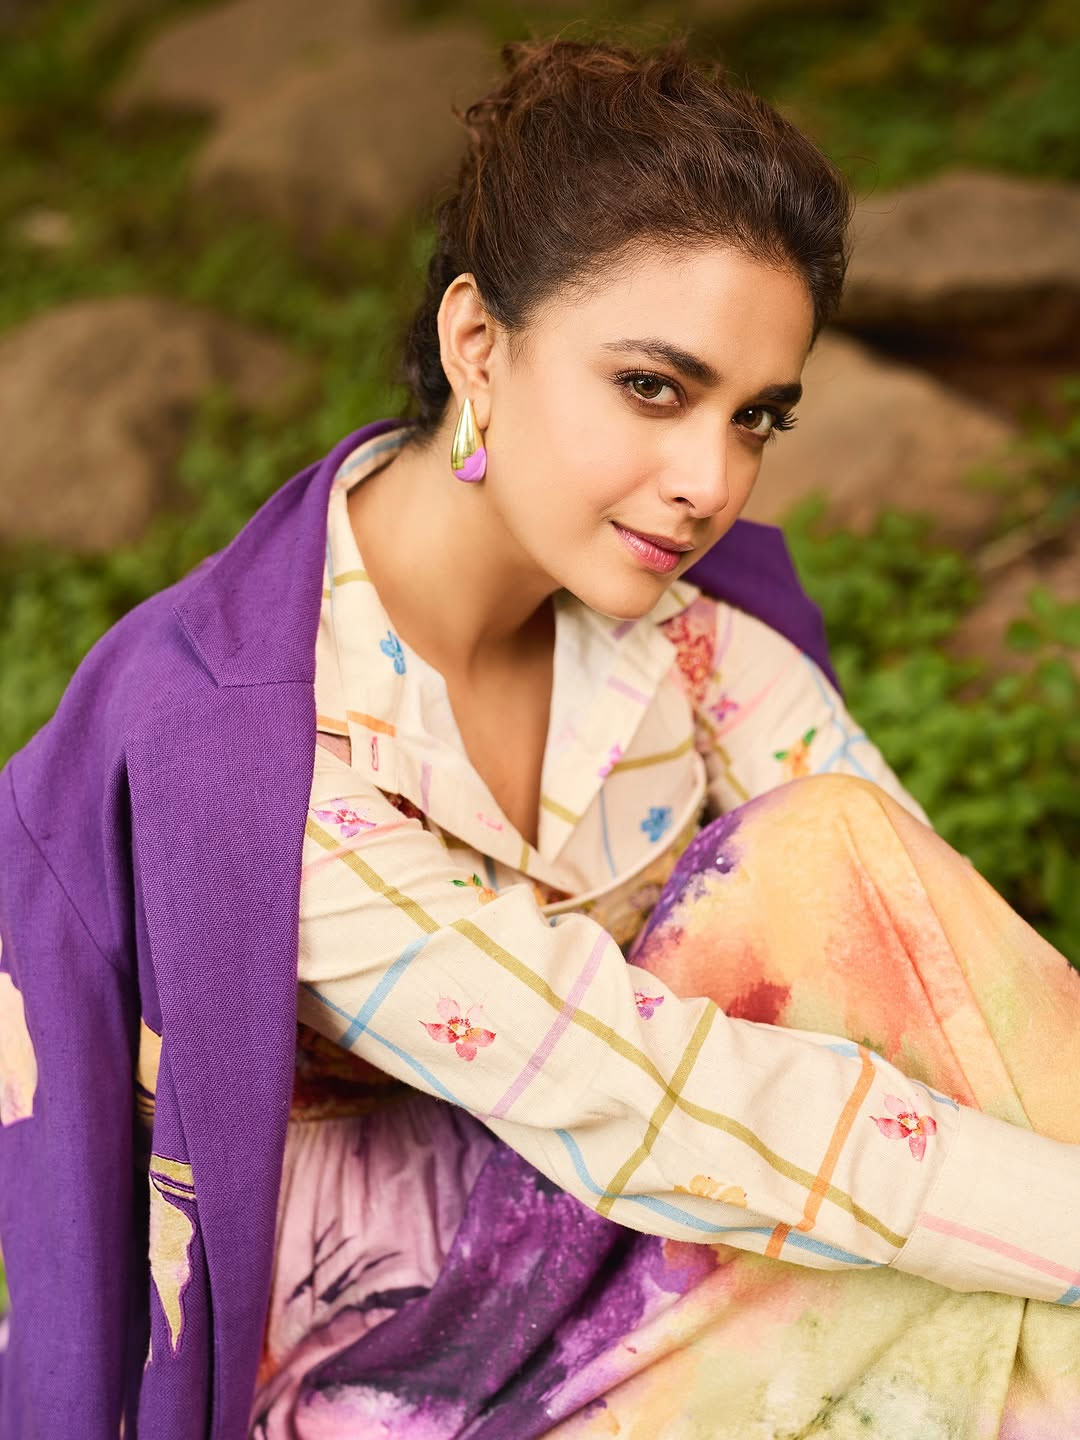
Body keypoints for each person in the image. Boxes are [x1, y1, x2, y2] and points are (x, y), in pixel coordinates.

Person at [1, 31, 1078, 1440]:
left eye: (757, 417)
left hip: (652, 1246)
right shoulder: (247, 743)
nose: (711, 480)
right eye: (654, 387)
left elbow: (947, 982)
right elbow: (639, 1102)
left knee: (845, 868)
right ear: (478, 346)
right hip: (389, 1364)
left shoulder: (693, 653)